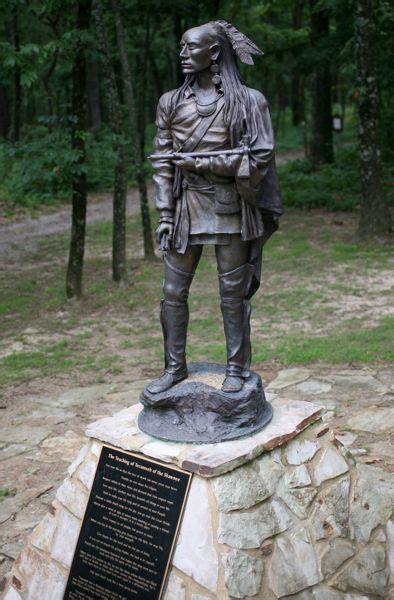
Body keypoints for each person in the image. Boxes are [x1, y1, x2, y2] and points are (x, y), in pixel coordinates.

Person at [147, 20, 282, 395]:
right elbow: (162, 162)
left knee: (232, 294)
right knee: (173, 292)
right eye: (182, 47)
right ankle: (174, 369)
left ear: (214, 52)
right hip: (185, 209)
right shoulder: (170, 103)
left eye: (190, 47)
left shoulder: (249, 102)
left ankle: (237, 370)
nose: (182, 54)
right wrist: (164, 213)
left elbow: (260, 158)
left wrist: (203, 163)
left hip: (230, 209)